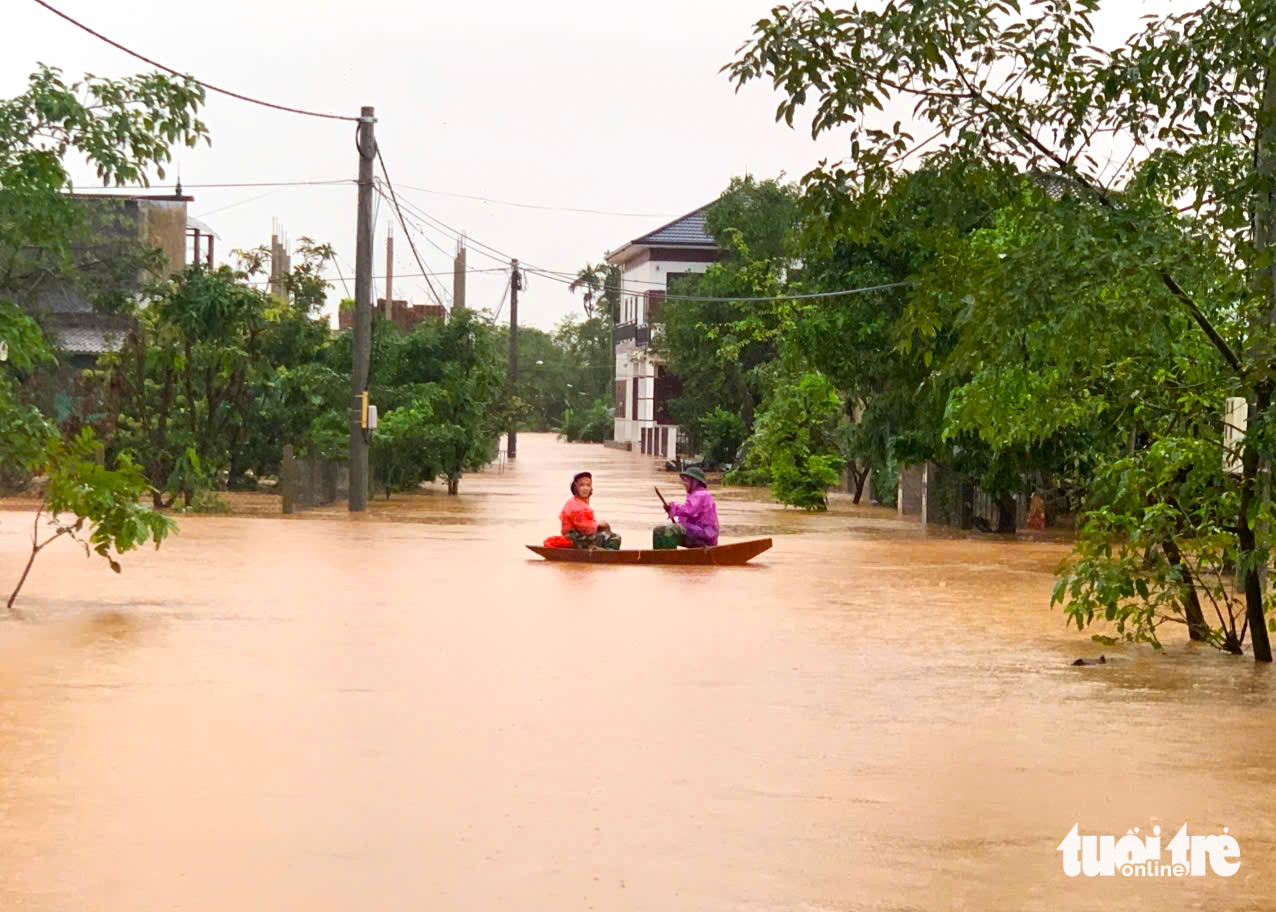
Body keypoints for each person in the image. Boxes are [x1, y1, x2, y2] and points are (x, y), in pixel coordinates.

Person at [560, 471, 622, 549]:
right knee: (615, 538)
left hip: (577, 536)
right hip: (574, 539)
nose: (585, 488)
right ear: (575, 487)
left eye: (588, 485)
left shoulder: (578, 501)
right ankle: (607, 554)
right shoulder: (576, 506)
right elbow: (587, 529)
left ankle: (601, 550)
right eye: (582, 485)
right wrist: (600, 524)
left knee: (604, 529)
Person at [665, 466, 719, 547]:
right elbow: (685, 518)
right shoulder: (695, 494)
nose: (684, 483)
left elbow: (688, 510)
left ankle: (667, 557)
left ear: (695, 481)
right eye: (683, 480)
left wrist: (672, 507)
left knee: (670, 530)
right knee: (675, 529)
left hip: (707, 534)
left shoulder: (701, 494)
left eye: (686, 480)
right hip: (704, 533)